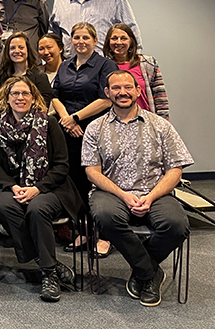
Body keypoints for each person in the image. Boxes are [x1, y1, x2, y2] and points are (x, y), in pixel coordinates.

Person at [83, 70, 193, 307]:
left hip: (155, 191)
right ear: (107, 92)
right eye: (116, 88)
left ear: (138, 90)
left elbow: (175, 169)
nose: (122, 92)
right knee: (105, 216)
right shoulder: (95, 127)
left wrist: (151, 197)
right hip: (112, 193)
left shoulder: (160, 125)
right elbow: (92, 171)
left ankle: (141, 267)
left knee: (177, 225)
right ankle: (149, 273)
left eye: (127, 87)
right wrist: (124, 195)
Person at [0, 76, 80, 302]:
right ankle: (49, 262)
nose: (20, 97)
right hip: (15, 186)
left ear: (33, 97)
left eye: (25, 93)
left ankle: (48, 275)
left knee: (37, 209)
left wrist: (37, 189)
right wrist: (13, 186)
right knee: (3, 205)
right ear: (6, 99)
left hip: (50, 187)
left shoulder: (48, 123)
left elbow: (61, 166)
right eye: (15, 94)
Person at [50, 22, 117, 255]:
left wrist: (77, 118)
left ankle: (104, 236)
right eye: (76, 37)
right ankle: (82, 233)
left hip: (94, 129)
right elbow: (55, 94)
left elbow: (107, 99)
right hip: (67, 130)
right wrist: (67, 119)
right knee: (75, 182)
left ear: (94, 40)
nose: (80, 41)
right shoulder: (65, 65)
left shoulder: (105, 64)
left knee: (96, 181)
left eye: (85, 38)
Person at [103, 23, 169, 120]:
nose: (118, 42)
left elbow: (160, 98)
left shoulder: (148, 64)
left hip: (146, 122)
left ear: (131, 41)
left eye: (123, 38)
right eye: (114, 38)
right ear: (108, 42)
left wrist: (164, 124)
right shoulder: (104, 66)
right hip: (115, 124)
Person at [0, 31, 54, 114]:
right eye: (12, 48)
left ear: (28, 50)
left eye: (21, 47)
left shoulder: (40, 76)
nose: (17, 51)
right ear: (7, 52)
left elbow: (43, 106)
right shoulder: (0, 76)